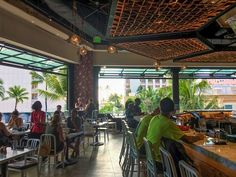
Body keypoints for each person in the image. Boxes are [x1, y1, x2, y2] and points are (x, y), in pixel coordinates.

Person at [146, 97, 204, 166]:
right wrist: (199, 137)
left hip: (151, 158)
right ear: (173, 111)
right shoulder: (167, 123)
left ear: (160, 108)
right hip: (160, 161)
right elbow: (188, 140)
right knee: (189, 165)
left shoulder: (154, 118)